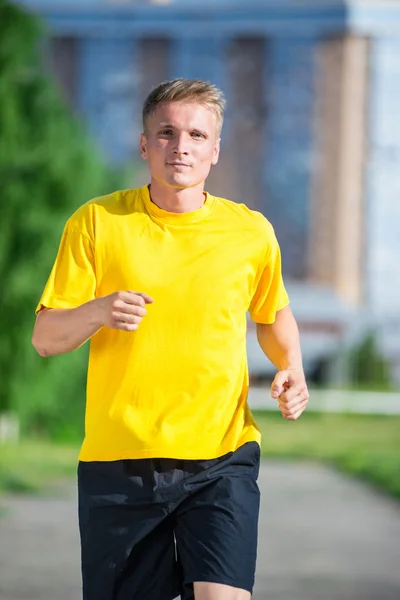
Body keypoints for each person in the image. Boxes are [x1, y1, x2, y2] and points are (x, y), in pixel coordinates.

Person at [32, 78, 309, 600]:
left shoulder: (251, 233)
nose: (181, 146)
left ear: (215, 149)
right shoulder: (97, 223)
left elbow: (273, 314)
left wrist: (290, 365)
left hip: (221, 458)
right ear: (144, 144)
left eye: (196, 135)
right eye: (166, 132)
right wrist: (97, 310)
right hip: (120, 465)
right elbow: (46, 338)